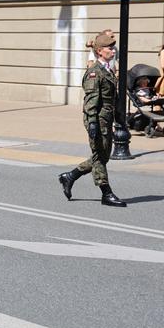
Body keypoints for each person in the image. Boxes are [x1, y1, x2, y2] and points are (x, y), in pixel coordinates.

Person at [58, 33, 126, 207]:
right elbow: (91, 100)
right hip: (97, 118)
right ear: (99, 51)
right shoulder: (95, 72)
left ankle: (70, 176)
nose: (113, 50)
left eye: (113, 48)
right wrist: (93, 123)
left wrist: (119, 117)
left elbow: (113, 97)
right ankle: (106, 193)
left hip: (106, 118)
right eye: (109, 48)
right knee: (99, 157)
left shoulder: (108, 69)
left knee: (102, 156)